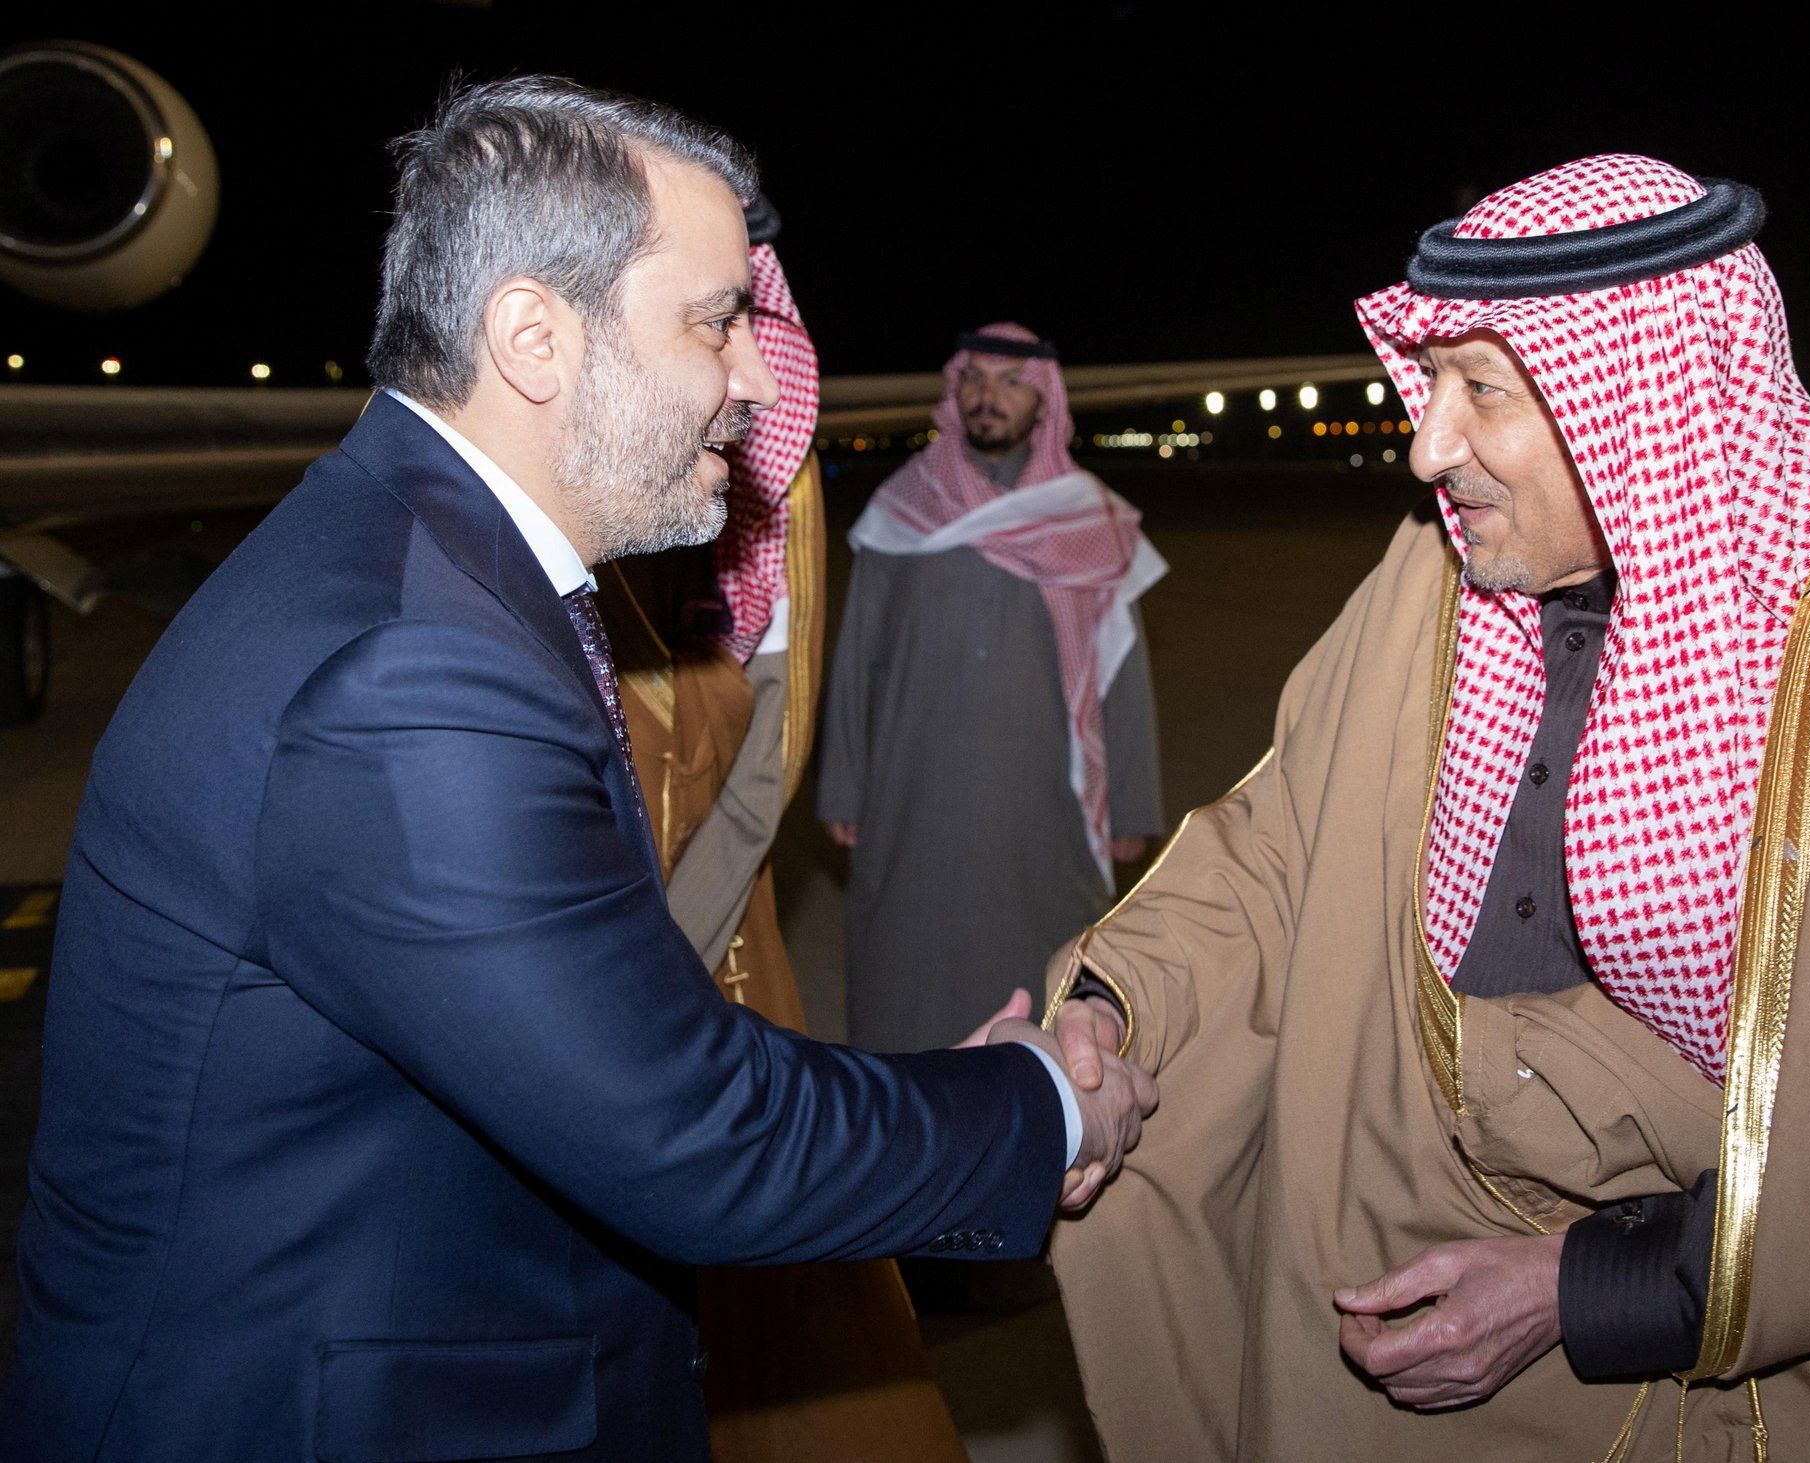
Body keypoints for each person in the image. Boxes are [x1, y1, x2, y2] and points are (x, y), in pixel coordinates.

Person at [1, 78, 1155, 1463]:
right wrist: (1041, 1101)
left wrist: (924, 1098)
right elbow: (692, 1134)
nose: (755, 379)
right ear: (535, 338)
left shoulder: (430, 566)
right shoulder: (413, 671)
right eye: (714, 322)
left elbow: (608, 1044)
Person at [1043, 156, 1810, 1460]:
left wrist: (1589, 1286)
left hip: (1722, 1328)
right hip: (1388, 1252)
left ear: (1639, 403)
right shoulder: (1429, 579)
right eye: (1429, 382)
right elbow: (1275, 852)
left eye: (1482, 390)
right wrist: (1108, 1009)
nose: (1426, 445)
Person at [595, 193, 967, 1461]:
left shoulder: (762, 489)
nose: (746, 372)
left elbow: (765, 760)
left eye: (748, 323)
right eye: (711, 325)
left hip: (712, 945)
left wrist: (665, 957)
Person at [817, 325, 1166, 1054]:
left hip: (1040, 798)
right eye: (975, 379)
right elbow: (857, 658)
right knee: (906, 972)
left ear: (1044, 402)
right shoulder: (904, 504)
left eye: (1011, 382)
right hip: (911, 793)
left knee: (1037, 975)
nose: (988, 396)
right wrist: (843, 786)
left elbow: (1121, 674)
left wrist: (1131, 804)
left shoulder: (1086, 520)